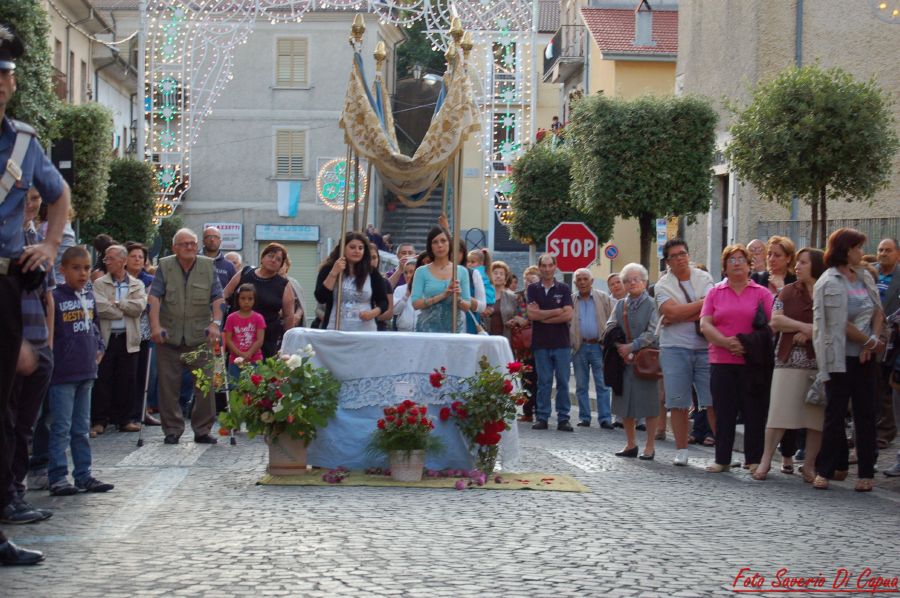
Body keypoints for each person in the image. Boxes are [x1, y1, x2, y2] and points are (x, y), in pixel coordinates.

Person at [0, 25, 71, 566]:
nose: (2, 82)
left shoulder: (23, 142)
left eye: (5, 74)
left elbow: (59, 193)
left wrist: (49, 244)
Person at [812, 228, 884, 492]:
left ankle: (866, 472)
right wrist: (869, 342)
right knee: (835, 413)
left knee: (866, 414)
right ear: (845, 249)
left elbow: (877, 310)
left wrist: (872, 340)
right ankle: (825, 469)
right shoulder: (828, 281)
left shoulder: (864, 276)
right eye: (857, 248)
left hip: (864, 357)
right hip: (839, 357)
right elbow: (837, 323)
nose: (861, 253)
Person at [3, 189, 55, 524]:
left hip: (38, 344)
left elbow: (47, 297)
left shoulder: (38, 240)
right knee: (8, 426)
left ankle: (16, 494)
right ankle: (7, 497)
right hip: (12, 345)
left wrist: (48, 345)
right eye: (24, 197)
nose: (31, 204)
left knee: (25, 427)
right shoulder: (6, 238)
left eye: (36, 197)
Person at [753, 248, 826, 482]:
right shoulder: (787, 291)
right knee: (779, 413)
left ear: (815, 265)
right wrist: (804, 327)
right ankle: (765, 460)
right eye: (798, 262)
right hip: (788, 360)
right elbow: (776, 320)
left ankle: (809, 465)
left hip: (818, 362)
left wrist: (812, 333)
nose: (798, 266)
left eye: (803, 262)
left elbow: (833, 323)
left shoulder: (826, 292)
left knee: (815, 418)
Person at [700, 244, 774, 473]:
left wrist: (747, 344)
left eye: (741, 259)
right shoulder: (715, 292)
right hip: (721, 360)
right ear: (724, 267)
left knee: (754, 411)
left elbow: (772, 325)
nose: (737, 263)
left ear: (749, 265)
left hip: (753, 361)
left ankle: (754, 458)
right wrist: (725, 342)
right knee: (724, 411)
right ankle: (722, 458)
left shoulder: (761, 293)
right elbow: (705, 324)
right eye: (731, 260)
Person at [48, 246, 114, 496]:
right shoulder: (55, 297)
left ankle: (83, 474)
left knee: (81, 429)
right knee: (61, 427)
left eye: (86, 268)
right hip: (63, 373)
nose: (83, 273)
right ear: (63, 270)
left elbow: (94, 325)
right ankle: (57, 476)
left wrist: (99, 347)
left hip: (86, 371)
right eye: (76, 268)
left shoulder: (88, 296)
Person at [148, 228, 224, 445]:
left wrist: (216, 324)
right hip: (169, 337)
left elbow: (218, 298)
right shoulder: (165, 266)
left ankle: (202, 429)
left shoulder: (208, 266)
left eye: (192, 243)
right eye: (184, 244)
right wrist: (155, 326)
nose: (189, 247)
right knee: (168, 387)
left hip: (200, 337)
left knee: (204, 386)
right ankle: (172, 430)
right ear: (175, 248)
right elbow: (154, 298)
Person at [655, 240, 715, 466]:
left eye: (683, 253)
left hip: (705, 347)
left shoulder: (704, 278)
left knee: (713, 400)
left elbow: (713, 306)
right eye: (674, 256)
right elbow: (670, 312)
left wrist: (680, 315)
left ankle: (722, 451)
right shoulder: (662, 285)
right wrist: (701, 305)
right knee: (678, 401)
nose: (680, 258)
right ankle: (681, 449)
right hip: (674, 348)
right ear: (668, 262)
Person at [603, 263, 660, 458]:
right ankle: (630, 443)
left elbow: (653, 332)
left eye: (636, 279)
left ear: (644, 281)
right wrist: (619, 346)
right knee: (624, 402)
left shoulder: (652, 304)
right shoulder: (620, 305)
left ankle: (650, 446)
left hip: (647, 360)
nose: (632, 283)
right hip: (623, 361)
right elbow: (610, 326)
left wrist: (632, 346)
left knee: (649, 403)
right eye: (627, 280)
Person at [91, 245, 147, 435]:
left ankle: (125, 419)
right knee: (102, 380)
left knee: (127, 381)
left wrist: (118, 303)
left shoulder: (137, 284)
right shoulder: (99, 283)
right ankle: (99, 420)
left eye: (110, 258)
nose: (106, 262)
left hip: (128, 338)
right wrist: (123, 309)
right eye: (106, 258)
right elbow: (100, 308)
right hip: (106, 339)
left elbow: (139, 308)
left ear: (122, 261)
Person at [527, 254, 574, 431]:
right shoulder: (533, 289)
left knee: (563, 382)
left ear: (555, 266)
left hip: (562, 343)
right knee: (544, 382)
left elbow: (568, 315)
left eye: (550, 265)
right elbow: (532, 314)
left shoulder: (564, 288)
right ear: (539, 267)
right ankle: (542, 417)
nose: (547, 269)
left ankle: (563, 418)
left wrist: (543, 317)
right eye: (544, 266)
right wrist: (556, 311)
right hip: (541, 343)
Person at [223, 243, 295, 357]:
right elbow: (225, 295)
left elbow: (289, 316)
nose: (273, 260)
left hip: (266, 340)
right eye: (270, 256)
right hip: (237, 336)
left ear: (281, 265)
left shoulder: (284, 285)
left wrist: (287, 343)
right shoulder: (245, 273)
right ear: (262, 258)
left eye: (278, 259)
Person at [315, 232, 388, 332]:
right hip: (335, 328)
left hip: (365, 330)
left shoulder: (371, 272)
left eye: (360, 248)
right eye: (352, 247)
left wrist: (372, 313)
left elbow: (383, 301)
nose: (357, 251)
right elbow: (321, 297)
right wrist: (333, 273)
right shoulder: (328, 269)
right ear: (343, 249)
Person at [570, 268, 615, 429]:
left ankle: (605, 418)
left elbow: (612, 320)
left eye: (585, 279)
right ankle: (584, 417)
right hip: (579, 346)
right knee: (581, 385)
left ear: (592, 281)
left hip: (598, 346)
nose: (582, 282)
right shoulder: (571, 300)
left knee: (603, 384)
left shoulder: (603, 298)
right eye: (579, 279)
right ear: (575, 283)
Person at [411, 227, 472, 333]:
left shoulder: (461, 271)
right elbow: (415, 304)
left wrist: (458, 298)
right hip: (427, 330)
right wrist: (443, 295)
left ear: (449, 244)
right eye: (435, 242)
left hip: (453, 330)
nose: (439, 245)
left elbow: (467, 306)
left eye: (443, 241)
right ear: (430, 246)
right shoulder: (421, 271)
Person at [125, 242, 159, 425]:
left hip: (143, 332)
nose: (137, 260)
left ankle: (141, 411)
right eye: (133, 256)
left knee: (143, 375)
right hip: (122, 331)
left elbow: (148, 305)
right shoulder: (118, 278)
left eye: (141, 257)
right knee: (125, 375)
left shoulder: (149, 280)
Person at [874, 238, 899, 451]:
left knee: (886, 386)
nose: (883, 253)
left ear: (897, 254)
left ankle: (885, 431)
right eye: (880, 250)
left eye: (888, 250)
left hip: (892, 338)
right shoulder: (869, 273)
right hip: (869, 335)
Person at [223, 283, 265, 382]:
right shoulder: (231, 318)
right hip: (235, 360)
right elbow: (228, 340)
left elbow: (260, 340)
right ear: (238, 299)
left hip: (255, 359)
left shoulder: (259, 318)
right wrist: (240, 354)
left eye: (250, 299)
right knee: (234, 387)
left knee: (255, 387)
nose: (246, 302)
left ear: (254, 300)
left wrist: (249, 353)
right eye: (243, 298)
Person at [514, 266, 539, 422]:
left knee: (539, 377)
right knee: (525, 378)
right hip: (523, 345)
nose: (529, 283)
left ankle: (539, 409)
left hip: (539, 342)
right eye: (527, 280)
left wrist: (527, 320)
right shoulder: (518, 297)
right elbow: (512, 313)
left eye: (532, 280)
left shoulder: (541, 296)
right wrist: (516, 319)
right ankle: (527, 411)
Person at [485, 260, 522, 342]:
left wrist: (514, 321)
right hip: (485, 339)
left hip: (505, 339)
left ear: (505, 279)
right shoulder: (483, 295)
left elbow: (518, 316)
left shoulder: (513, 297)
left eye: (501, 274)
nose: (498, 276)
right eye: (495, 273)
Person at [370, 242, 394, 331]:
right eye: (368, 258)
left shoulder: (384, 282)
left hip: (379, 329)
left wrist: (371, 316)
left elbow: (389, 313)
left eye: (374, 258)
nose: (372, 261)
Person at [392, 259, 419, 332]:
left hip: (421, 330)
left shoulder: (426, 289)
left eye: (411, 272)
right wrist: (406, 295)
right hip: (403, 331)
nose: (408, 275)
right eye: (405, 273)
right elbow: (395, 311)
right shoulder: (399, 289)